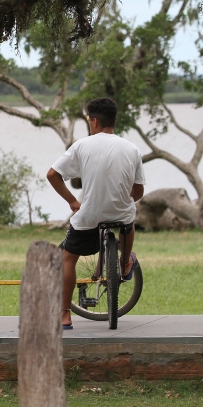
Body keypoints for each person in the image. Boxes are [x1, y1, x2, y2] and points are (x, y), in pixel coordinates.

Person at [46, 97, 145, 330]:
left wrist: (72, 201)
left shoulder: (82, 145)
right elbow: (138, 191)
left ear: (93, 121)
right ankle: (125, 262)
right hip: (121, 212)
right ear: (113, 120)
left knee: (68, 258)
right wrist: (122, 199)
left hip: (89, 214)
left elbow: (52, 175)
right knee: (128, 221)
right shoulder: (132, 149)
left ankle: (64, 315)